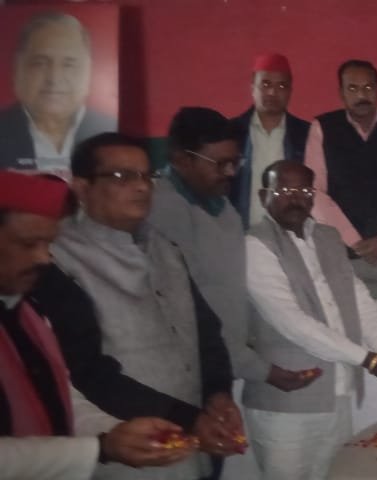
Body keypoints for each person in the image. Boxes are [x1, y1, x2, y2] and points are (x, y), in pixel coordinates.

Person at [45, 132, 245, 479]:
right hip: (125, 453)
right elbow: (86, 372)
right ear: (81, 187)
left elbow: (207, 333)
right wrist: (188, 418)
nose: (141, 187)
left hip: (190, 445)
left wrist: (217, 394)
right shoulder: (57, 261)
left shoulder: (165, 248)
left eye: (146, 175)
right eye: (121, 176)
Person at [0, 170, 194, 480]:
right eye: (28, 244)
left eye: (47, 243)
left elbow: (60, 396)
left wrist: (115, 432)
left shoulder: (26, 311)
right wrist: (99, 448)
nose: (44, 258)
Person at [243, 160, 377, 480]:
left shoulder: (327, 237)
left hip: (338, 392)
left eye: (303, 190)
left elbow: (358, 298)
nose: (295, 198)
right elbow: (292, 323)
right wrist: (369, 359)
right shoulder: (255, 245)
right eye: (284, 190)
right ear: (262, 195)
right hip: (286, 403)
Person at [150, 108, 312, 397]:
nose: (230, 172)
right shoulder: (164, 210)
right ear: (182, 159)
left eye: (235, 162)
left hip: (221, 365)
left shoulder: (224, 209)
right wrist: (261, 369)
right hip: (182, 374)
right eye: (220, 163)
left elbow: (229, 293)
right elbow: (190, 314)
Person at [305, 60, 377, 282]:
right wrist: (353, 241)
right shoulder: (323, 128)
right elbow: (315, 193)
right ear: (341, 93)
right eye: (352, 88)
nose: (361, 95)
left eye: (368, 87)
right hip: (338, 253)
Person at [0, 11, 116, 174]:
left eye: (69, 65)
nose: (54, 78)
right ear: (18, 69)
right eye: (40, 63)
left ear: (88, 71)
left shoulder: (111, 131)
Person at [230, 53, 311, 227]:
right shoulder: (231, 132)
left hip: (291, 233)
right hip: (239, 232)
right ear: (253, 87)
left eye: (281, 86)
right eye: (265, 84)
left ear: (290, 91)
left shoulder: (306, 134)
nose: (272, 92)